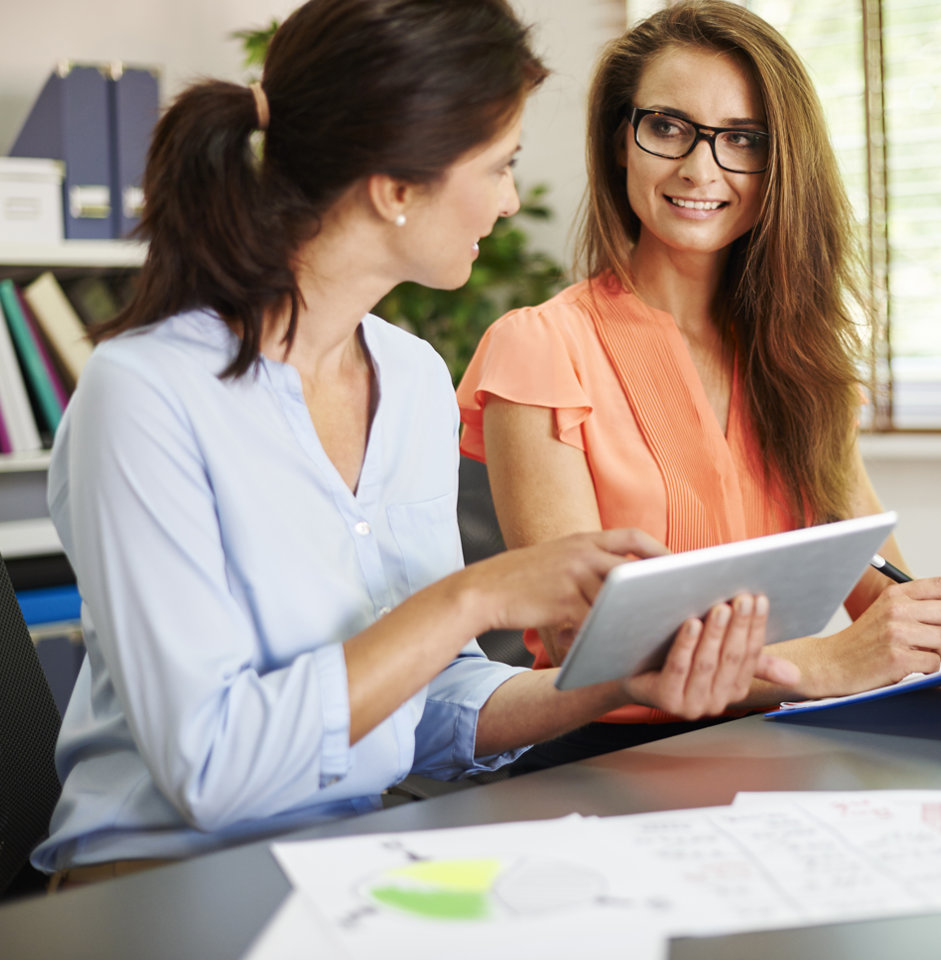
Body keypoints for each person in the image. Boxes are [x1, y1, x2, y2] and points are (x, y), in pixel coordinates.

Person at [31, 0, 798, 888]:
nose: (513, 200)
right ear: (396, 187)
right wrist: (471, 598)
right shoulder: (146, 394)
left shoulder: (414, 379)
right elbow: (212, 768)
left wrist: (625, 685)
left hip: (357, 860)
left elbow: (434, 706)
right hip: (158, 880)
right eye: (501, 165)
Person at [456, 0, 941, 770]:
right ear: (619, 141)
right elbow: (581, 644)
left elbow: (879, 589)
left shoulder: (797, 356)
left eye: (743, 141)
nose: (700, 168)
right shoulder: (537, 346)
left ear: (780, 161)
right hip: (606, 758)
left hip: (782, 747)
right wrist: (817, 667)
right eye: (667, 127)